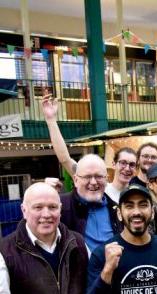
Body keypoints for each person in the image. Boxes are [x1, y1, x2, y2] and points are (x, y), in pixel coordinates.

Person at [42, 96, 122, 250]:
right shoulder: (62, 208)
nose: (93, 182)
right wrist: (51, 121)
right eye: (87, 177)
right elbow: (65, 158)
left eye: (99, 176)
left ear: (107, 179)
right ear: (75, 179)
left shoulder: (118, 208)